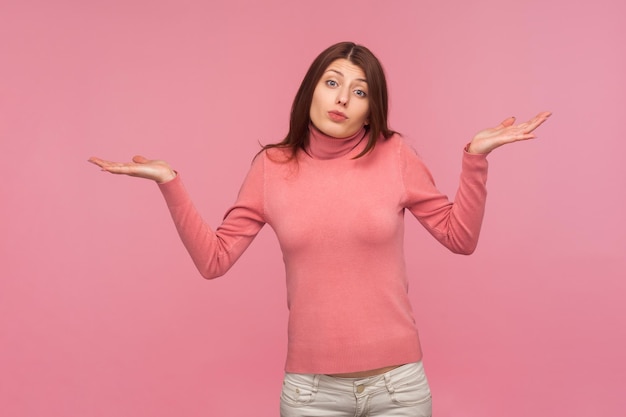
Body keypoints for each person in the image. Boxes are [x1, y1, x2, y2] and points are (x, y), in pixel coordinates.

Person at [89, 41, 551, 417]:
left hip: (398, 388)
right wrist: (170, 183)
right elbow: (214, 260)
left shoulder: (395, 156)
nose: (343, 98)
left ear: (371, 110)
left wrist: (476, 159)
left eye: (360, 90)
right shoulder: (271, 167)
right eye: (332, 83)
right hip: (311, 394)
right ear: (311, 90)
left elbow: (460, 238)